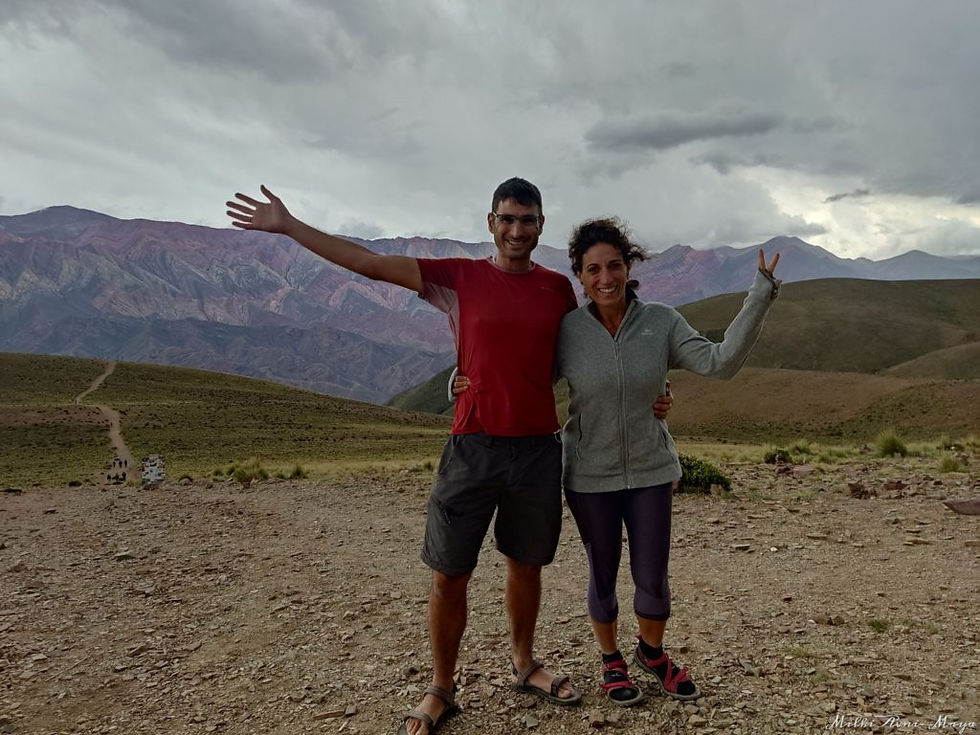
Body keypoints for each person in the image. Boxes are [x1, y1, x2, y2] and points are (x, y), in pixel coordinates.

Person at [225, 181, 672, 734]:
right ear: (490, 222)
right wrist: (290, 226)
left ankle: (524, 662)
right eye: (507, 219)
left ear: (540, 226)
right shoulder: (457, 278)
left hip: (537, 448)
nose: (516, 230)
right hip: (472, 446)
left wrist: (653, 392)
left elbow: (589, 352)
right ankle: (441, 685)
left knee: (526, 565)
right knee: (449, 572)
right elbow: (369, 263)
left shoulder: (558, 288)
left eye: (527, 220)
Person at [454, 217, 780, 706]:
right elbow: (517, 372)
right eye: (593, 270)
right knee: (602, 572)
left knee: (652, 575)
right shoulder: (568, 331)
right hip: (589, 474)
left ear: (629, 267)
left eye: (614, 266)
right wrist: (461, 382)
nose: (605, 278)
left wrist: (761, 293)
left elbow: (721, 362)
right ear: (579, 277)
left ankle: (652, 653)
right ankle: (611, 660)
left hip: (651, 469)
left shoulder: (662, 322)